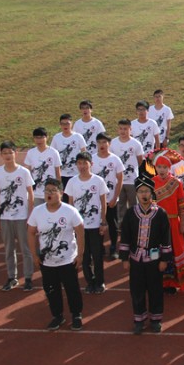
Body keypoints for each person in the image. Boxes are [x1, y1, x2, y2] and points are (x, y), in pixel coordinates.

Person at [27, 178, 85, 331]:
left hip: (67, 260)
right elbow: (31, 233)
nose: (49, 194)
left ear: (61, 193)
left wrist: (80, 255)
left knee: (72, 288)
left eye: (53, 191)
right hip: (47, 261)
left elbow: (80, 232)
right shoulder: (37, 211)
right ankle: (57, 315)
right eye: (47, 191)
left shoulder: (70, 211)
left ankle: (76, 314)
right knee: (51, 290)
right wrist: (34, 255)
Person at [119, 174, 173, 334]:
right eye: (141, 191)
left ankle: (156, 319)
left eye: (147, 191)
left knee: (155, 289)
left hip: (155, 258)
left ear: (152, 193)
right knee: (137, 289)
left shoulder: (161, 213)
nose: (144, 194)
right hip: (136, 258)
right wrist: (124, 258)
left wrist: (165, 259)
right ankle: (139, 319)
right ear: (136, 194)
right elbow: (125, 236)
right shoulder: (130, 213)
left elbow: (166, 237)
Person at [0, 141, 35, 292]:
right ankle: (12, 277)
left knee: (25, 248)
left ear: (16, 154)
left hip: (22, 217)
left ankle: (28, 278)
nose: (8, 155)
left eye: (10, 152)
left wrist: (30, 215)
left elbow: (31, 194)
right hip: (5, 216)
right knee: (9, 248)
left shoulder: (23, 172)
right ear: (1, 155)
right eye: (5, 153)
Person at [65, 152, 108, 294]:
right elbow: (70, 204)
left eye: (85, 163)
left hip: (95, 225)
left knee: (97, 255)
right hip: (79, 227)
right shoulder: (72, 182)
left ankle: (100, 282)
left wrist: (103, 221)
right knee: (83, 255)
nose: (82, 166)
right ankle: (89, 282)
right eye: (79, 163)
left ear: (91, 164)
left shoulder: (98, 181)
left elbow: (103, 202)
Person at [152, 150, 184, 293]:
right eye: (159, 167)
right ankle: (157, 281)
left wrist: (182, 224)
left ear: (169, 168)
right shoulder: (152, 182)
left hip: (174, 221)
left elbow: (182, 205)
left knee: (175, 250)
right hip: (157, 223)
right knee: (156, 251)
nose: (161, 170)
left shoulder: (176, 183)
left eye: (164, 167)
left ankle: (173, 282)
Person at [110, 118, 145, 236]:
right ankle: (122, 226)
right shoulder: (113, 143)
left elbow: (140, 161)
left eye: (125, 129)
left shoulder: (136, 143)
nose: (123, 131)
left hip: (132, 180)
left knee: (134, 203)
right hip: (117, 180)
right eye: (120, 129)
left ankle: (135, 224)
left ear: (130, 129)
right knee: (120, 204)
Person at [93, 132, 124, 260]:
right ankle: (99, 247)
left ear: (109, 144)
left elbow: (120, 180)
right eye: (99, 142)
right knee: (97, 223)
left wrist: (115, 197)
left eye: (104, 142)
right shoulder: (92, 159)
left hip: (111, 199)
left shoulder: (115, 159)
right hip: (96, 200)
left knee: (113, 224)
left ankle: (113, 248)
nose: (102, 145)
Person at [50, 114, 87, 202]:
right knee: (63, 198)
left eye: (67, 123)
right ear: (60, 125)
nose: (65, 126)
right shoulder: (56, 138)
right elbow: (52, 154)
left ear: (72, 124)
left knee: (76, 198)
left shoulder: (78, 137)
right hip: (61, 174)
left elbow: (84, 154)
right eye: (63, 124)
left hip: (76, 173)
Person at [25, 127, 62, 207]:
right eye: (36, 138)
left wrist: (59, 188)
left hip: (51, 192)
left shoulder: (54, 152)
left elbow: (57, 172)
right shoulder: (31, 153)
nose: (39, 140)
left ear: (47, 137)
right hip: (36, 193)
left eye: (41, 137)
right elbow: (28, 173)